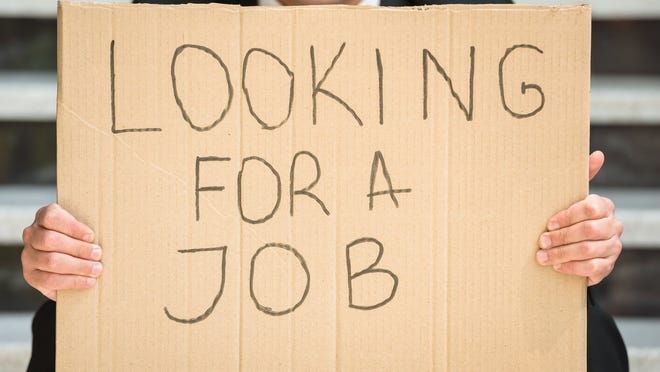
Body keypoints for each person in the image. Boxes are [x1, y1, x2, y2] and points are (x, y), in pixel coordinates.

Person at [21, 0, 627, 371]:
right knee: (59, 334)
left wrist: (580, 242)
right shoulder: (163, 22)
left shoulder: (476, 20)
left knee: (586, 335)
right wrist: (63, 258)